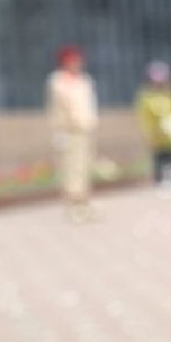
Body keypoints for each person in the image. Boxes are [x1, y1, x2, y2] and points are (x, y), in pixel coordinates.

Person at [46, 45, 98, 222]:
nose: (76, 63)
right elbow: (59, 108)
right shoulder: (58, 81)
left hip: (84, 129)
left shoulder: (84, 80)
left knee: (84, 167)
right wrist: (58, 132)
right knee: (70, 168)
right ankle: (73, 206)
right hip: (67, 131)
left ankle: (84, 203)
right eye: (72, 60)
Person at [134, 61, 171, 194]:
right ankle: (161, 181)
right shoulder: (146, 97)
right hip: (157, 134)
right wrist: (149, 133)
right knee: (160, 159)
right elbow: (144, 116)